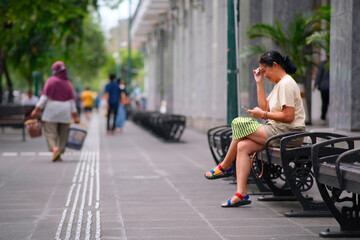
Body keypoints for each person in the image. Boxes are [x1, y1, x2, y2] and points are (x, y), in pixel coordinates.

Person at [204, 50, 305, 207]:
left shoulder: (286, 84)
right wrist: (259, 82)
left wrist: (263, 114)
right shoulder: (280, 84)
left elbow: (288, 116)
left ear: (275, 65)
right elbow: (265, 107)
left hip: (288, 134)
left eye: (264, 71)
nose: (264, 75)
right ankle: (241, 193)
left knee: (239, 123)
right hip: (278, 131)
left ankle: (225, 166)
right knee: (242, 146)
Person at [31, 61, 80, 162]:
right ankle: (59, 152)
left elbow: (44, 98)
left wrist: (36, 110)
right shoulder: (68, 84)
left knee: (50, 132)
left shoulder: (51, 81)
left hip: (51, 111)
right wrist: (75, 116)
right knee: (63, 134)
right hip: (65, 111)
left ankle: (54, 148)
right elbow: (72, 102)